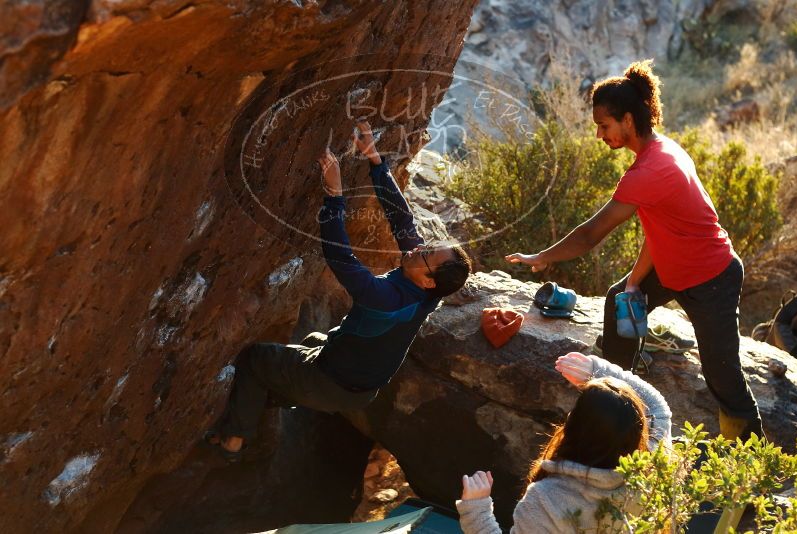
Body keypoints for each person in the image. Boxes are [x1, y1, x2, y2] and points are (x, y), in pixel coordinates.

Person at [505, 59, 763, 441]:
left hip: (711, 278)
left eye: (603, 125)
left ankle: (748, 466)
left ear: (627, 120)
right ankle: (614, 395)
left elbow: (590, 235)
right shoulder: (660, 149)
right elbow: (662, 232)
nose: (599, 135)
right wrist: (635, 283)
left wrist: (542, 256)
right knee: (619, 298)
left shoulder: (649, 172)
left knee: (723, 378)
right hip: (675, 267)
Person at [206, 122, 471, 459]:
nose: (418, 248)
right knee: (314, 341)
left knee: (256, 359)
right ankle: (266, 403)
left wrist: (334, 195)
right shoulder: (430, 288)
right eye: (426, 246)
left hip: (332, 382)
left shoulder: (386, 301)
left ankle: (233, 441)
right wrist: (375, 160)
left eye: (426, 254)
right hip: (356, 385)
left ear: (429, 280)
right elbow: (401, 219)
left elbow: (340, 256)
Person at [456, 352, 672, 533]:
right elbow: (657, 408)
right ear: (637, 429)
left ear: (575, 426)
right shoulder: (653, 471)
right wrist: (597, 370)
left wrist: (476, 509)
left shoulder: (546, 499)